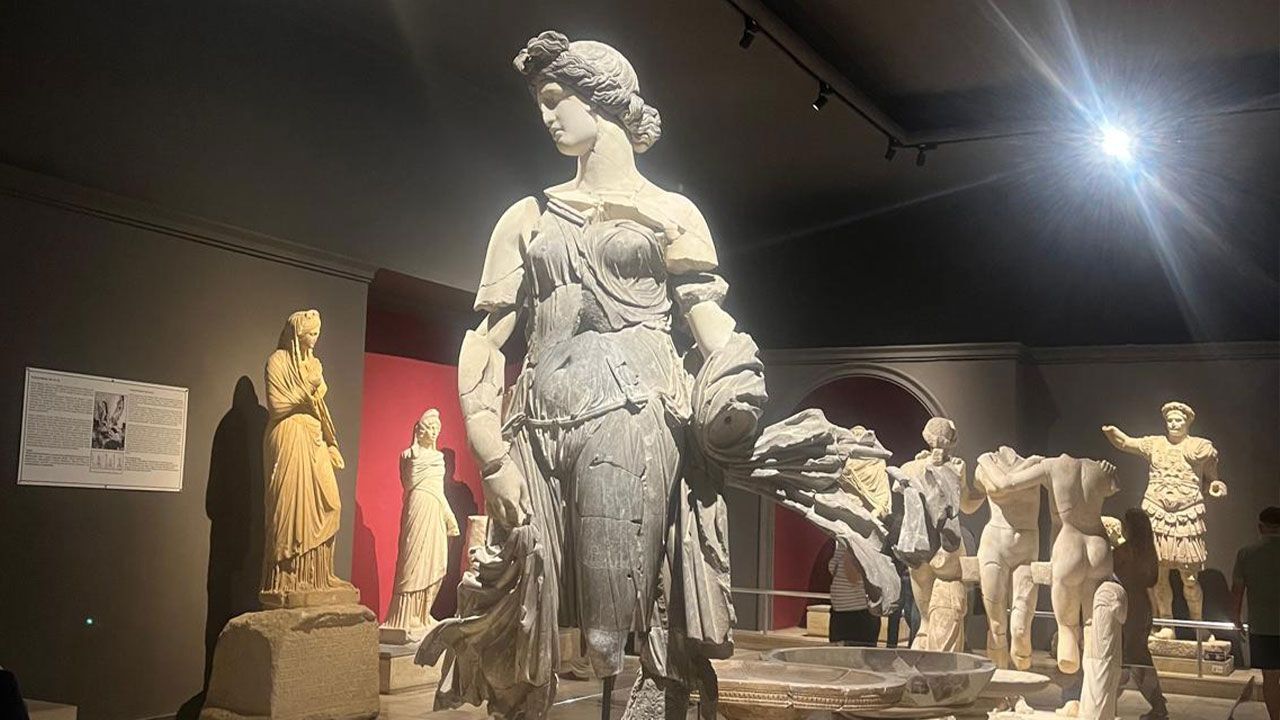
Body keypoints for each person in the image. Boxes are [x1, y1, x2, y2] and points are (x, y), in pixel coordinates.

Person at [1113, 508, 1168, 720]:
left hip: (1129, 607)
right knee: (1137, 656)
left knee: (1131, 657)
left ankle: (1157, 705)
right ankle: (1157, 704)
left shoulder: (1123, 552)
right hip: (1142, 606)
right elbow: (1151, 580)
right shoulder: (1149, 553)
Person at [1231, 506, 1280, 720]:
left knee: (1270, 679)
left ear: (1260, 527)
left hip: (1262, 626)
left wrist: (1236, 617)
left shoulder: (1247, 553)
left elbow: (1237, 590)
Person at [829, 542, 879, 646]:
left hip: (858, 614)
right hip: (840, 612)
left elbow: (853, 578)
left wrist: (850, 548)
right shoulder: (842, 545)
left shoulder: (856, 545)